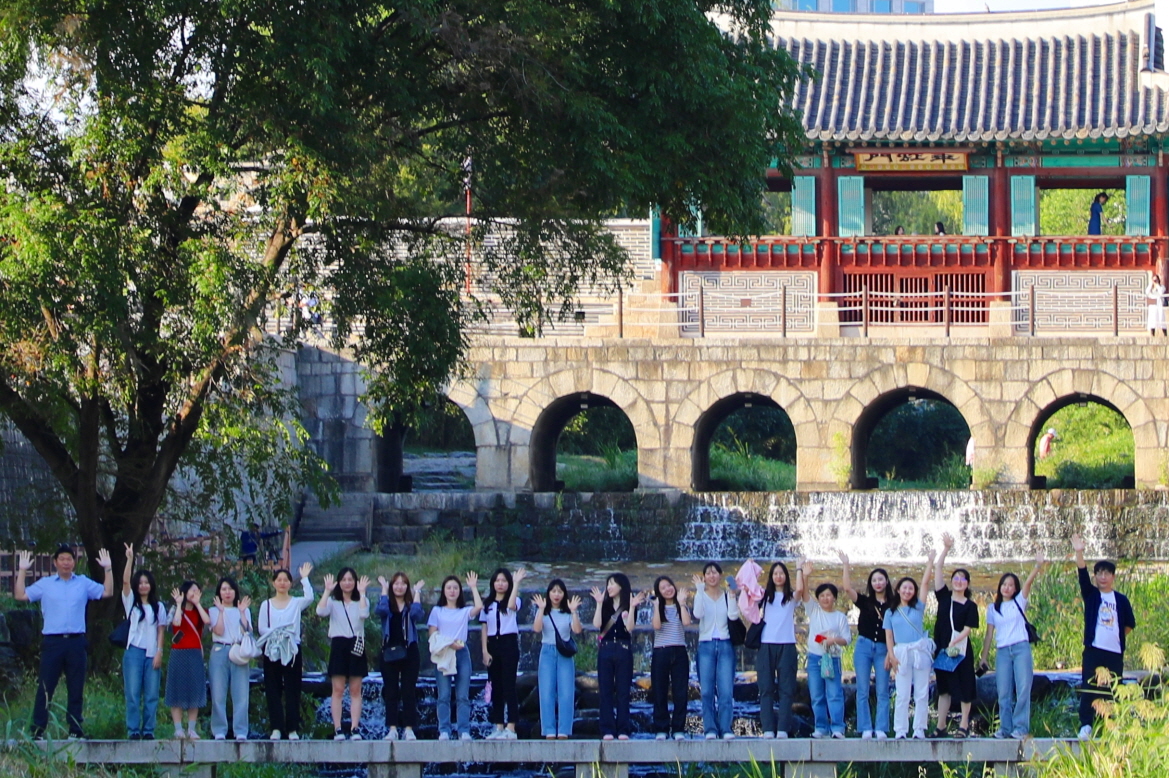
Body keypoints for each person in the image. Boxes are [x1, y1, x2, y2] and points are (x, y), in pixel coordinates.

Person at [15, 545, 113, 739]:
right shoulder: (46, 583)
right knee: (46, 686)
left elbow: (107, 592)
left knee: (76, 687)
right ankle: (37, 731)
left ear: (74, 562)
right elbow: (20, 596)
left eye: (69, 559)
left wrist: (108, 568)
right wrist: (22, 570)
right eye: (62, 559)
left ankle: (75, 730)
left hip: (76, 641)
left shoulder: (83, 583)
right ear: (55, 562)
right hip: (53, 642)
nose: (66, 562)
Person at [1071, 533, 1135, 741]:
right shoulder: (1091, 595)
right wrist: (1079, 551)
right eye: (1099, 573)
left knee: (1113, 689)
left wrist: (1115, 637)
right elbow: (1082, 573)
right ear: (1096, 576)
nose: (1103, 577)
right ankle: (1086, 725)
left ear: (1113, 576)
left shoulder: (1121, 600)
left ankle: (1111, 724)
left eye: (1107, 573)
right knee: (1089, 686)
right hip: (1093, 650)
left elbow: (1129, 625)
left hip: (1114, 652)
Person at [980, 551, 1046, 740]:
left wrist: (1037, 566)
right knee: (1003, 692)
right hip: (1002, 652)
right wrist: (984, 657)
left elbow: (1028, 584)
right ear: (1000, 587)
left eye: (1011, 585)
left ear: (1015, 589)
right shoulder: (992, 609)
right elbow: (989, 634)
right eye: (1004, 584)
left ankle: (1020, 728)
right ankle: (1005, 728)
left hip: (1020, 648)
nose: (1007, 588)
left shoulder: (1019, 601)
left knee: (1024, 688)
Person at [257, 562, 315, 740]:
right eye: (279, 580)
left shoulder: (296, 603)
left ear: (290, 584)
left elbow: (310, 597)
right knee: (273, 688)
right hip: (272, 648)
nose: (282, 583)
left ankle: (292, 729)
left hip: (292, 649)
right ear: (273, 583)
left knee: (293, 689)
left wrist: (304, 578)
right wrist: (277, 634)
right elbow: (261, 627)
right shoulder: (266, 604)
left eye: (286, 580)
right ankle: (276, 728)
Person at [838, 551, 891, 739]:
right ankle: (865, 728)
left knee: (883, 689)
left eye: (881, 579)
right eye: (874, 580)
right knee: (862, 689)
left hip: (884, 649)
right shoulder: (865, 601)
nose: (878, 583)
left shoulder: (893, 604)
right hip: (863, 647)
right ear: (871, 583)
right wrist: (846, 564)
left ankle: (882, 728)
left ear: (886, 582)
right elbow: (847, 589)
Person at [931, 534, 979, 739]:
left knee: (966, 686)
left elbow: (968, 629)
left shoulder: (971, 606)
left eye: (963, 579)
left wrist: (955, 642)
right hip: (943, 649)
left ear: (967, 584)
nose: (959, 582)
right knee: (943, 689)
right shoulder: (943, 598)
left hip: (961, 651)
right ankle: (940, 726)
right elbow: (938, 569)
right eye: (956, 579)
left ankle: (964, 725)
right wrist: (946, 549)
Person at [885, 550, 936, 740]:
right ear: (898, 590)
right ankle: (900, 730)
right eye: (904, 588)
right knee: (902, 694)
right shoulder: (891, 612)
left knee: (921, 693)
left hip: (920, 651)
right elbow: (889, 636)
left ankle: (919, 729)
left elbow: (925, 583)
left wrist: (930, 562)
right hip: (901, 653)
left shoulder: (918, 607)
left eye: (910, 588)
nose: (908, 591)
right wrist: (891, 655)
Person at [316, 567, 371, 740]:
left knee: (355, 690)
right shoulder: (333, 602)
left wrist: (362, 593)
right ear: (339, 582)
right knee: (338, 690)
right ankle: (338, 728)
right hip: (339, 644)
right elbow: (320, 612)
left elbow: (364, 614)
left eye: (350, 580)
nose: (347, 583)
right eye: (344, 580)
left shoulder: (362, 600)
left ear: (355, 582)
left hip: (356, 643)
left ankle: (355, 728)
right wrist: (327, 591)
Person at [428, 573, 484, 741]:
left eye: (455, 588)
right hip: (444, 652)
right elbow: (432, 634)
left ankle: (463, 730)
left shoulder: (464, 611)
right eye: (449, 588)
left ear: (459, 591)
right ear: (444, 591)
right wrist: (448, 643)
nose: (452, 591)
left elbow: (479, 607)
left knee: (462, 695)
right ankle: (444, 730)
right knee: (444, 694)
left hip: (461, 652)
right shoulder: (437, 611)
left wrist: (473, 587)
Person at [799, 560, 851, 739]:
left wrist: (833, 640)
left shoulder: (840, 617)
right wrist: (805, 575)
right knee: (816, 695)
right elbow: (805, 595)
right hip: (815, 658)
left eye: (829, 595)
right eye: (822, 595)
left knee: (835, 694)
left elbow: (847, 640)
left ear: (834, 598)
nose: (825, 598)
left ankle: (838, 728)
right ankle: (820, 727)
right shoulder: (814, 611)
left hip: (833, 659)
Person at [120, 544, 166, 740]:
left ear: (151, 585)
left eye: (146, 582)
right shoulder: (132, 603)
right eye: (140, 583)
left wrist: (159, 652)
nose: (143, 586)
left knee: (152, 695)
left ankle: (148, 730)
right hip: (134, 652)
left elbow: (161, 630)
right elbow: (125, 582)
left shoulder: (159, 606)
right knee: (132, 693)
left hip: (152, 652)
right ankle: (133, 730)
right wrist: (130, 559)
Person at [591, 573, 644, 741]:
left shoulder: (630, 604)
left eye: (612, 583)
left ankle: (623, 729)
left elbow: (629, 629)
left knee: (623, 691)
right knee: (605, 691)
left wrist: (633, 608)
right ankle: (607, 729)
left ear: (621, 586)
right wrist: (598, 604)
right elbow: (597, 625)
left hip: (623, 649)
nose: (609, 587)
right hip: (605, 650)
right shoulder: (605, 605)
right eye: (608, 584)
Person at [691, 562, 740, 740]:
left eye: (715, 572)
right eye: (708, 573)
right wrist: (698, 590)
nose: (712, 576)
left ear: (720, 575)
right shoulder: (701, 595)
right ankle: (710, 728)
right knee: (706, 691)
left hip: (725, 644)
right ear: (704, 577)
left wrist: (733, 595)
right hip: (706, 645)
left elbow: (733, 616)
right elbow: (697, 614)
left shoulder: (727, 595)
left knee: (726, 690)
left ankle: (726, 728)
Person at [753, 559, 801, 739]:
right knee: (765, 688)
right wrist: (751, 568)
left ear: (786, 576)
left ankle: (782, 729)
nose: (778, 576)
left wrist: (799, 569)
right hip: (766, 645)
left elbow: (801, 590)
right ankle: (767, 729)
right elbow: (748, 592)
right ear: (771, 577)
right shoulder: (764, 596)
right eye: (775, 573)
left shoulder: (791, 597)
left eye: (781, 573)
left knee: (786, 689)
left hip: (787, 645)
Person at [376, 572, 426, 741]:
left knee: (408, 691)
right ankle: (392, 728)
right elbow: (380, 610)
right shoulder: (387, 605)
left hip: (410, 652)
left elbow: (417, 615)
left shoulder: (410, 606)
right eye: (396, 583)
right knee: (391, 691)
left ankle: (409, 728)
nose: (399, 586)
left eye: (403, 583)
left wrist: (417, 592)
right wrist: (383, 589)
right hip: (389, 652)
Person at [532, 579, 583, 739]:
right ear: (548, 593)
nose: (556, 594)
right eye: (553, 591)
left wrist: (574, 612)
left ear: (564, 594)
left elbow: (577, 630)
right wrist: (540, 609)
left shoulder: (568, 612)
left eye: (559, 591)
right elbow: (536, 629)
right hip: (547, 651)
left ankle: (564, 730)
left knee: (566, 692)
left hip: (564, 653)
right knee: (546, 692)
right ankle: (548, 730)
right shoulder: (544, 611)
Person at [480, 567, 526, 740]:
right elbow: (484, 628)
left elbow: (511, 605)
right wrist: (484, 651)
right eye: (497, 581)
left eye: (504, 581)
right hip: (493, 644)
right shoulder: (487, 604)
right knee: (496, 687)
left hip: (509, 643)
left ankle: (511, 726)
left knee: (509, 685)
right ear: (493, 583)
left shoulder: (515, 600)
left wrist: (516, 583)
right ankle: (498, 725)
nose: (500, 584)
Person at [208, 576, 253, 740]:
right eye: (224, 589)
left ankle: (240, 731)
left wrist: (241, 612)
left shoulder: (244, 609)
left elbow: (247, 631)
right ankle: (219, 730)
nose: (227, 592)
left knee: (241, 693)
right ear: (219, 592)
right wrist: (220, 611)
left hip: (239, 651)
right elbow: (218, 631)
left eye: (230, 589)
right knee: (218, 693)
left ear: (235, 591)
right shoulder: (213, 611)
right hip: (220, 650)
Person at [167, 580, 211, 739]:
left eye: (197, 590)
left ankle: (192, 729)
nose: (194, 593)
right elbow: (176, 623)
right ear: (184, 592)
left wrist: (198, 604)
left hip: (195, 654)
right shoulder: (175, 609)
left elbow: (207, 621)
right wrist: (179, 605)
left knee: (195, 691)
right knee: (176, 690)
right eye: (192, 591)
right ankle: (178, 729)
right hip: (179, 652)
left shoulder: (201, 611)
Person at [649, 575, 691, 741]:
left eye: (669, 585)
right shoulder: (658, 607)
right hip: (661, 651)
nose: (667, 589)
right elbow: (657, 626)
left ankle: (678, 728)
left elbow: (687, 623)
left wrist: (681, 604)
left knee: (680, 691)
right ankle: (662, 728)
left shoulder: (680, 605)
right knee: (660, 691)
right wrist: (656, 606)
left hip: (679, 650)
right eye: (663, 587)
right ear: (659, 592)